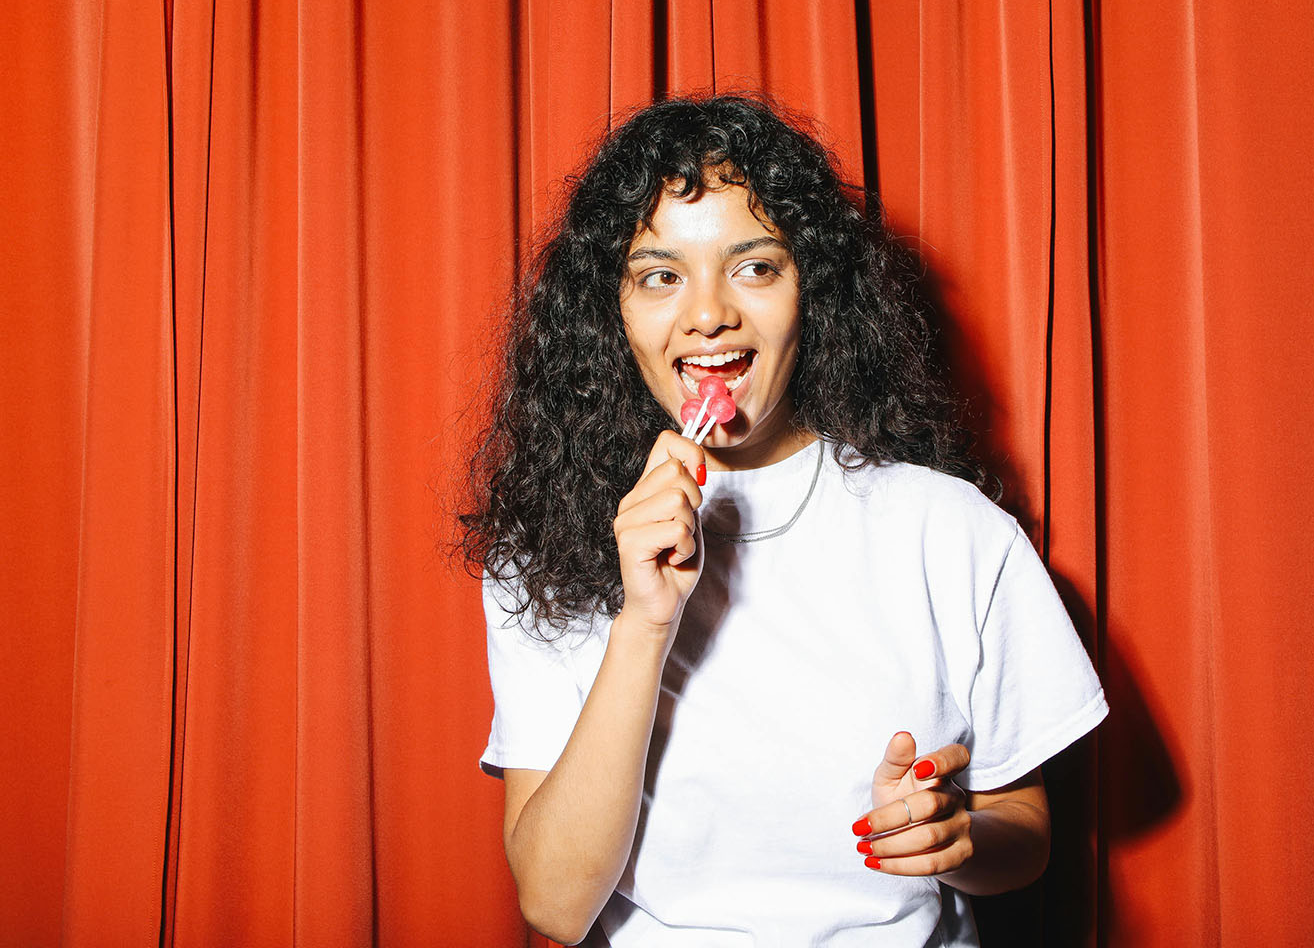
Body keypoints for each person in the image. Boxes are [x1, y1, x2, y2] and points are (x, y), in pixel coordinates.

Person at [458, 94, 1106, 946]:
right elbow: (554, 901)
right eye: (661, 275)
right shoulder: (542, 556)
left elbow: (1022, 833)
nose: (708, 313)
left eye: (754, 266)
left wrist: (954, 838)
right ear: (609, 314)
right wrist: (644, 622)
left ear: (814, 291)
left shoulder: (950, 530)